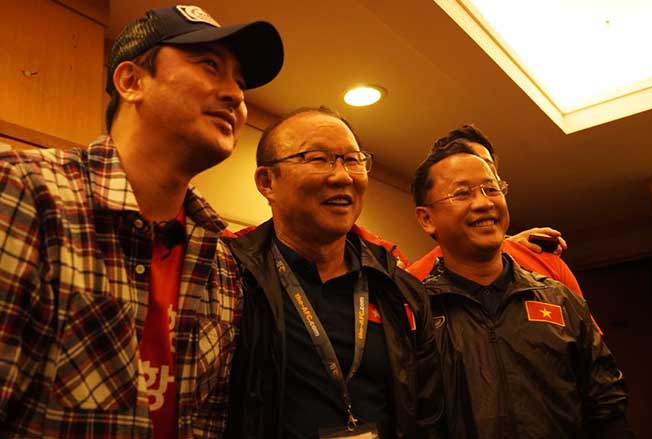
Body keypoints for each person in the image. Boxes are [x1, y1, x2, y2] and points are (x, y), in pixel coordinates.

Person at [0, 5, 283, 438]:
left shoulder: (222, 263)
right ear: (131, 81)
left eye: (240, 82)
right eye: (210, 65)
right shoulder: (28, 193)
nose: (235, 95)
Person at [224, 107, 443, 439]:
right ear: (267, 182)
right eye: (318, 159)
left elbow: (429, 415)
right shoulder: (232, 276)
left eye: (353, 160)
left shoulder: (398, 289)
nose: (343, 176)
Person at [411, 141, 633, 438]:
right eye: (462, 193)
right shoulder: (414, 314)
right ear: (427, 218)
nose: (484, 203)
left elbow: (607, 406)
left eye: (491, 189)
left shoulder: (559, 300)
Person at [407, 125, 583, 299]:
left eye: (488, 174)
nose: (482, 203)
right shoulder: (412, 286)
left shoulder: (542, 259)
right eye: (462, 192)